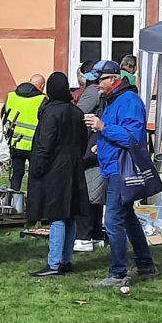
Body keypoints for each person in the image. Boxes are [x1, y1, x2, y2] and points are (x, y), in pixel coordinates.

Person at [82, 60, 156, 288]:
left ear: (113, 79)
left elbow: (133, 138)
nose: (95, 85)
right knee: (128, 218)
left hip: (121, 170)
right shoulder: (113, 100)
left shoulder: (129, 101)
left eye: (99, 80)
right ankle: (144, 264)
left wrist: (102, 128)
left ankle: (117, 272)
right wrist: (100, 144)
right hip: (113, 165)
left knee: (112, 220)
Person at [26, 72, 89, 277]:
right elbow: (82, 141)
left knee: (58, 216)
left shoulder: (51, 113)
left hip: (56, 169)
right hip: (74, 166)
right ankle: (65, 259)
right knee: (69, 214)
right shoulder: (76, 112)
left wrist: (37, 168)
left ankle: (54, 263)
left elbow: (45, 144)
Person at [73, 65, 105, 252]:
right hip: (97, 146)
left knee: (85, 193)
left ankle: (84, 236)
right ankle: (96, 235)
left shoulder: (92, 92)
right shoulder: (107, 97)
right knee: (96, 192)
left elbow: (78, 114)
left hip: (90, 147)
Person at [2, 74, 47, 191]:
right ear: (42, 86)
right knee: (34, 177)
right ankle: (32, 203)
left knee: (16, 175)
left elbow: (4, 115)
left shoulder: (11, 96)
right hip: (33, 145)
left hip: (15, 142)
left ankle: (13, 202)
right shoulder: (42, 99)